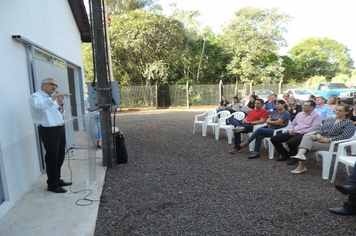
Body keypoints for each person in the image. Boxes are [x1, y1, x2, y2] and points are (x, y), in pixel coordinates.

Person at [28, 78, 71, 193]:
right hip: (49, 131)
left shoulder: (51, 98)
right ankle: (52, 184)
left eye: (56, 86)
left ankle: (57, 179)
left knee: (60, 155)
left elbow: (57, 114)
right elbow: (41, 107)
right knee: (52, 158)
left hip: (59, 128)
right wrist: (55, 97)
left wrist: (61, 107)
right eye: (51, 84)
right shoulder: (36, 97)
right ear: (43, 85)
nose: (54, 87)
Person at [290, 104, 355, 174]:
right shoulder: (331, 120)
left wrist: (329, 140)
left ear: (347, 112)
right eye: (336, 110)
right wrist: (318, 134)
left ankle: (301, 166)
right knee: (307, 136)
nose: (337, 112)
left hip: (333, 143)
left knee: (308, 145)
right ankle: (300, 155)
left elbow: (346, 136)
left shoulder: (349, 123)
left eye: (340, 111)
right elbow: (321, 128)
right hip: (322, 138)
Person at [270, 100, 321, 164]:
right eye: (304, 105)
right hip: (294, 131)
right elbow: (293, 124)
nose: (304, 107)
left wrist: (299, 132)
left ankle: (293, 157)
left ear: (312, 107)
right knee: (274, 138)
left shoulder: (316, 116)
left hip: (304, 134)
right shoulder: (299, 114)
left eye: (306, 105)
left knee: (291, 142)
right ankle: (285, 154)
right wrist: (290, 130)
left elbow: (314, 128)